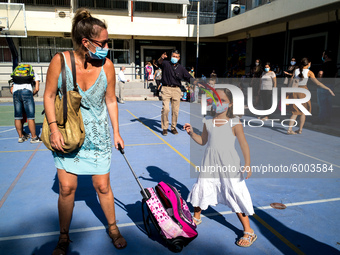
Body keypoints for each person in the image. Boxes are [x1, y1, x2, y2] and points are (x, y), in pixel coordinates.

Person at [43, 8, 127, 254]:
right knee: (67, 188)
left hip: (98, 136)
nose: (107, 46)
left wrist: (117, 132)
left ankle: (113, 228)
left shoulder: (108, 65)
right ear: (86, 42)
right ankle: (63, 236)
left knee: (103, 186)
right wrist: (52, 128)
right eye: (104, 42)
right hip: (67, 134)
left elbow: (111, 100)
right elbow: (48, 96)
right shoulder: (60, 61)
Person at [183, 88, 256, 248]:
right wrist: (190, 133)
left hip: (229, 164)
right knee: (201, 187)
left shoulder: (234, 122)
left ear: (230, 104)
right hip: (210, 162)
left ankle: (248, 230)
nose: (219, 103)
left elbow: (244, 144)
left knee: (235, 193)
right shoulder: (208, 121)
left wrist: (248, 164)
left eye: (223, 100)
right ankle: (196, 217)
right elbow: (203, 141)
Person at [287, 58, 335, 134]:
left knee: (295, 112)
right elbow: (318, 83)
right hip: (304, 91)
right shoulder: (309, 72)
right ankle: (300, 129)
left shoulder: (296, 71)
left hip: (295, 91)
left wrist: (289, 91)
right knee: (303, 112)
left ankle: (289, 129)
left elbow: (291, 82)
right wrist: (328, 89)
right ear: (309, 64)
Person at [157, 50, 192, 136]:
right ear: (171, 56)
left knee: (175, 110)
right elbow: (159, 63)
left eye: (176, 57)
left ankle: (173, 127)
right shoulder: (165, 64)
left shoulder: (181, 68)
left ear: (179, 58)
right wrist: (161, 57)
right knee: (166, 109)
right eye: (173, 56)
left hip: (176, 90)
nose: (175, 58)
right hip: (166, 88)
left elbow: (188, 77)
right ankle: (165, 128)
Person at [10, 64, 42, 143]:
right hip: (27, 91)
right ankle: (34, 137)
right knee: (30, 116)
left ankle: (21, 137)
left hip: (16, 93)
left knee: (17, 116)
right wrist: (31, 94)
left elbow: (11, 90)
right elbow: (37, 88)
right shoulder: (33, 73)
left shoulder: (17, 75)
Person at [313, 50, 338, 124]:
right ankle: (328, 119)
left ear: (326, 56)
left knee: (322, 104)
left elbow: (320, 74)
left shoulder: (324, 65)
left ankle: (321, 119)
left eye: (323, 55)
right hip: (331, 85)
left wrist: (319, 81)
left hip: (323, 85)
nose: (323, 56)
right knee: (328, 103)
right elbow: (336, 75)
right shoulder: (334, 65)